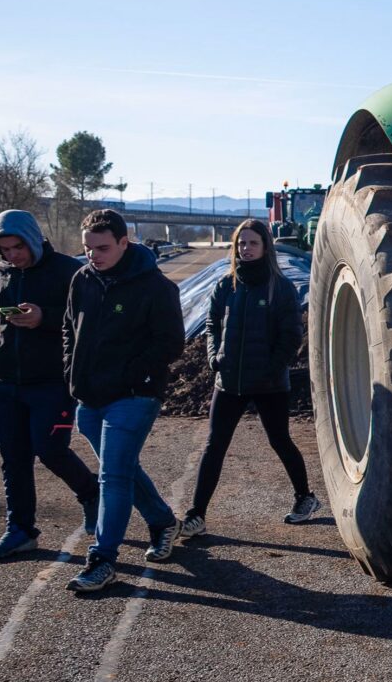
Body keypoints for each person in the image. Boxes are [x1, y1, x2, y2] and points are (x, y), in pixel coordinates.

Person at [62, 208, 185, 592]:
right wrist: (71, 371)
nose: (93, 256)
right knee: (123, 469)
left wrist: (131, 374)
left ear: (123, 242)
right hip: (89, 396)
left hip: (134, 396)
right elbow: (69, 329)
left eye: (101, 248)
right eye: (87, 249)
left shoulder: (155, 287)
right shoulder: (82, 279)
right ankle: (163, 521)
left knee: (112, 476)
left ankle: (102, 559)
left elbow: (171, 343)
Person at [179, 219, 318, 539]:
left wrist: (273, 367)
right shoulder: (225, 285)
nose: (246, 248)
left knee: (279, 440)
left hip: (269, 384)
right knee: (214, 446)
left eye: (253, 243)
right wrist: (214, 357)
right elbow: (213, 324)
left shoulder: (280, 287)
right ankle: (196, 514)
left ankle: (305, 497)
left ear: (265, 246)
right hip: (228, 381)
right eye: (242, 243)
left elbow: (292, 335)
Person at [0, 210, 100, 560]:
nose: (13, 254)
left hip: (51, 383)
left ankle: (91, 493)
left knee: (50, 449)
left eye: (18, 246)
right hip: (3, 383)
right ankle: (21, 531)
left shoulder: (67, 270)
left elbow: (87, 319)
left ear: (33, 238)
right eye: (5, 248)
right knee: (13, 459)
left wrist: (44, 318)